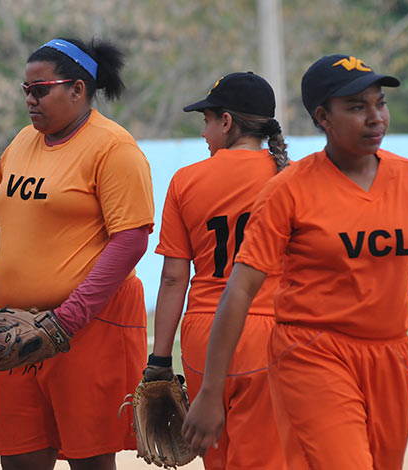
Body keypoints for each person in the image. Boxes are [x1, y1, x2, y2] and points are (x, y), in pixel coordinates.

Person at [182, 54, 408, 469]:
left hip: (392, 357)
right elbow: (240, 289)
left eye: (380, 103)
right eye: (356, 107)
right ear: (323, 116)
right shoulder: (290, 189)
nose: (375, 117)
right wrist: (211, 392)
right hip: (313, 353)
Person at [0, 38, 155, 470]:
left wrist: (66, 320)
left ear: (78, 89)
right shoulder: (21, 143)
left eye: (41, 89)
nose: (30, 99)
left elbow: (130, 242)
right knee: (19, 459)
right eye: (25, 90)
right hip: (17, 329)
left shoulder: (113, 148)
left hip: (89, 330)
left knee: (90, 460)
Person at [147, 72, 288, 469]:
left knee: (219, 459)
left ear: (226, 122)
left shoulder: (186, 180)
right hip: (270, 331)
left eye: (206, 121)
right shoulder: (289, 178)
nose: (204, 132)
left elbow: (174, 278)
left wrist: (159, 359)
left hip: (203, 336)